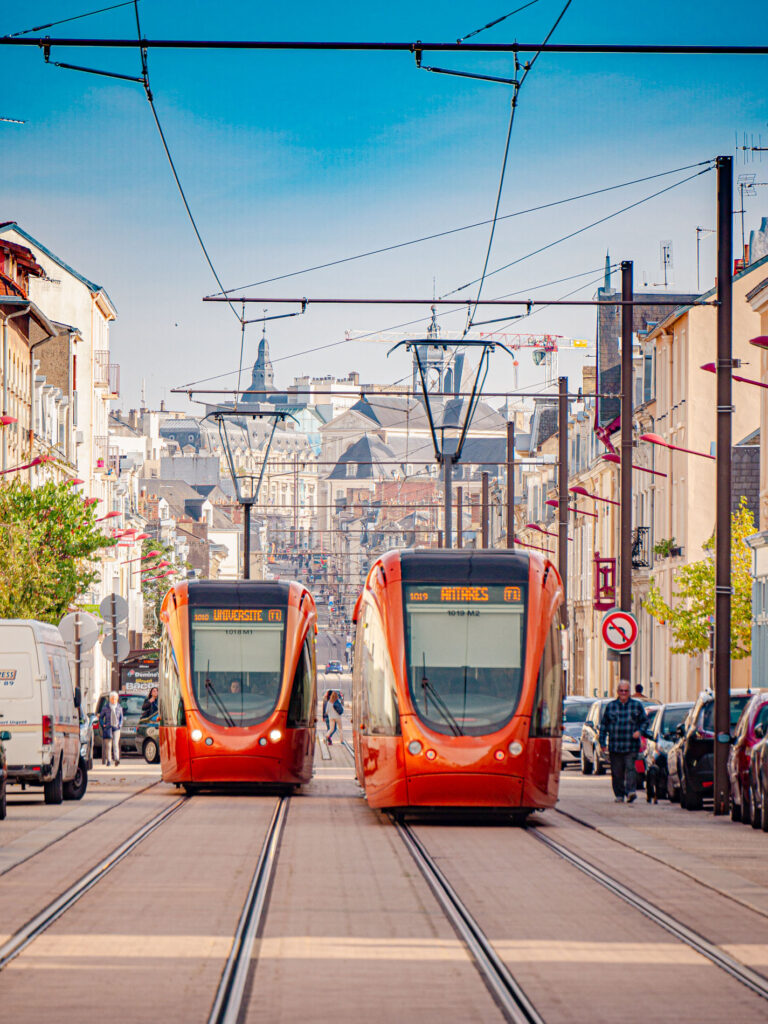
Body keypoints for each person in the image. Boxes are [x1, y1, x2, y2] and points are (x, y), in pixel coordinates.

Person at [599, 682, 650, 803]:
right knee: (617, 772)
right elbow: (604, 725)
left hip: (630, 745)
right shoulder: (611, 706)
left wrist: (639, 731)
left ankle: (631, 791)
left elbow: (645, 722)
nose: (623, 693)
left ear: (629, 692)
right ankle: (619, 794)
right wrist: (602, 742)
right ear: (617, 692)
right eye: (621, 691)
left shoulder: (636, 706)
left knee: (630, 768)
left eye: (626, 691)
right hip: (615, 745)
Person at [100, 691, 123, 767]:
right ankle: (109, 760)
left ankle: (116, 759)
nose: (114, 700)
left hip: (116, 728)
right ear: (110, 699)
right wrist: (103, 724)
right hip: (108, 728)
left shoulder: (119, 707)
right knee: (108, 745)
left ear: (117, 699)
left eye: (115, 698)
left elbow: (121, 718)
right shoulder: (105, 707)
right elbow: (101, 718)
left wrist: (119, 725)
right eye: (112, 698)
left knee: (115, 744)